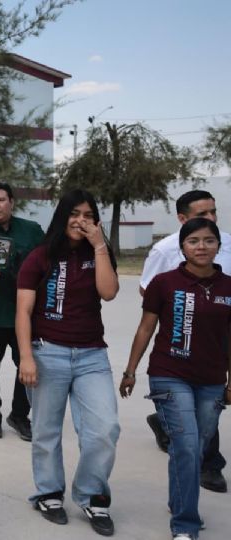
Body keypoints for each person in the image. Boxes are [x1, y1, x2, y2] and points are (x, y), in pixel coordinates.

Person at [16, 189, 120, 537]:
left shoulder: (98, 253)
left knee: (104, 430)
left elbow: (109, 292)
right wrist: (26, 357)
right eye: (74, 214)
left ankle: (92, 495)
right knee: (46, 431)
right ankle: (49, 493)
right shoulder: (41, 256)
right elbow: (23, 311)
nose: (81, 221)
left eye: (88, 215)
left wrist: (100, 245)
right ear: (62, 217)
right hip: (48, 352)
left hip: (92, 355)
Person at [121, 218, 231, 540]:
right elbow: (145, 328)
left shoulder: (229, 288)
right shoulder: (164, 283)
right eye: (193, 241)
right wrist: (130, 371)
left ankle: (179, 500)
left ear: (218, 246)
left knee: (194, 448)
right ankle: (185, 524)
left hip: (211, 380)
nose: (201, 247)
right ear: (182, 247)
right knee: (185, 444)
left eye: (208, 241)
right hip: (169, 375)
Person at [139, 189, 229, 493]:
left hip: (219, 334)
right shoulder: (165, 250)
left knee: (208, 410)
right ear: (182, 219)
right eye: (202, 214)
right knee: (192, 421)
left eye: (213, 212)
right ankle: (209, 464)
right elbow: (147, 291)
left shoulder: (226, 242)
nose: (211, 219)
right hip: (180, 343)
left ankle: (168, 426)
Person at [0, 182, 44, 441]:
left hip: (24, 313)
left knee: (26, 367)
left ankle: (19, 415)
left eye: (0, 200)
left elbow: (47, 265)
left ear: (11, 202)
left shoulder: (32, 231)